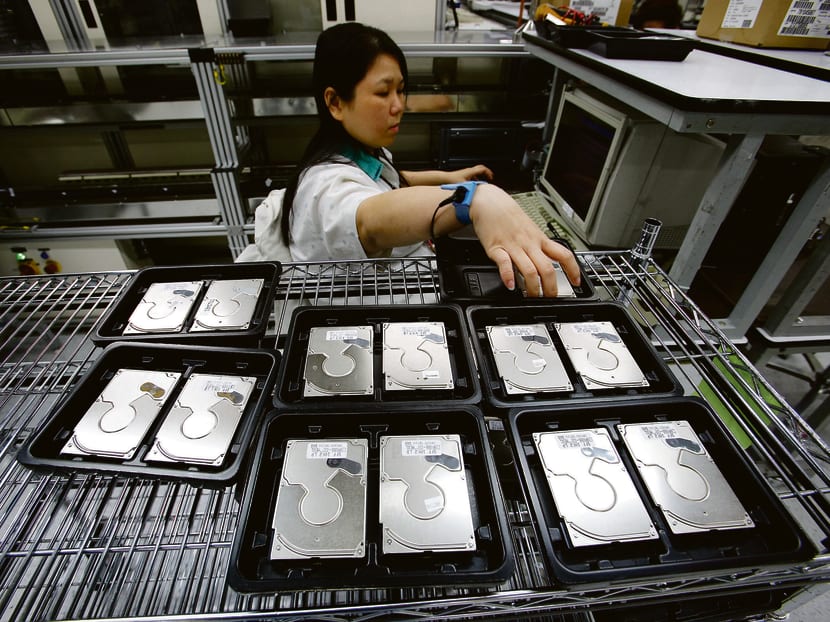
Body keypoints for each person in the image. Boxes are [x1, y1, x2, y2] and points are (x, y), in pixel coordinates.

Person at [242, 22, 579, 297]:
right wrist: (474, 200)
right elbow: (370, 220)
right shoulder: (325, 186)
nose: (398, 105)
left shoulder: (358, 151)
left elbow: (391, 179)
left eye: (401, 89)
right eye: (382, 92)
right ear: (335, 102)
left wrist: (452, 177)